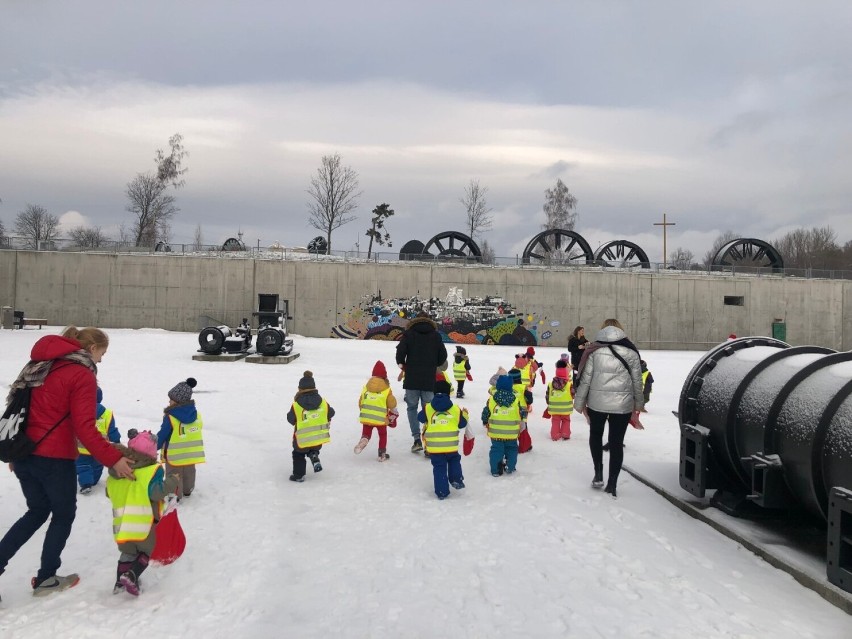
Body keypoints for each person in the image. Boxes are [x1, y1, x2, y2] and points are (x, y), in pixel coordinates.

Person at [0, 326, 135, 599]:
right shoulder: (81, 374)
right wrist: (114, 459)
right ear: (92, 349)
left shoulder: (40, 365)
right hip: (53, 458)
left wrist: (14, 453)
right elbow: (86, 427)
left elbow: (16, 408)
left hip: (25, 453)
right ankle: (47, 578)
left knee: (36, 512)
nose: (101, 360)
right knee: (62, 514)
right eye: (102, 353)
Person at [573, 319, 644, 499]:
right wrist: (638, 405)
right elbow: (637, 381)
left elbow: (586, 379)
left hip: (597, 404)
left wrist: (579, 403)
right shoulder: (632, 352)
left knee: (596, 435)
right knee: (616, 442)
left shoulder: (594, 352)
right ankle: (612, 484)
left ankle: (598, 473)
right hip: (623, 405)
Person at [106, 430, 179, 596]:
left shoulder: (117, 471)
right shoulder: (150, 471)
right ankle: (132, 575)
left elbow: (109, 492)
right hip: (143, 523)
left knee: (127, 552)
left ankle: (119, 582)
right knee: (146, 551)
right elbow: (156, 493)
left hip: (121, 524)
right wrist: (172, 481)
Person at [395, 311, 448, 454]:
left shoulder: (409, 334)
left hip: (412, 379)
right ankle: (428, 442)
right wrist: (433, 364)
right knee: (429, 410)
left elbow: (400, 352)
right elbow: (443, 356)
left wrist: (402, 364)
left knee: (412, 408)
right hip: (428, 380)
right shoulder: (436, 336)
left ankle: (417, 439)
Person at [418, 379, 468, 499]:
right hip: (451, 446)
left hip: (434, 447)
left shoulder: (428, 408)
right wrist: (465, 414)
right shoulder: (456, 409)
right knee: (454, 461)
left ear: (434, 393)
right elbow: (462, 424)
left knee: (439, 467)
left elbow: (419, 418)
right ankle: (456, 479)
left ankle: (442, 492)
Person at [156, 377, 204, 498]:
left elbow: (163, 434)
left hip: (174, 453)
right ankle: (188, 489)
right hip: (191, 452)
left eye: (171, 400)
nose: (169, 402)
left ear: (178, 401)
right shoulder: (196, 415)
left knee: (174, 474)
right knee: (189, 472)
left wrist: (153, 446)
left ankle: (175, 495)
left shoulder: (170, 416)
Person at [286, 371, 335, 482]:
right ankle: (313, 455)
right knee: (313, 448)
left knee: (298, 455)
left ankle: (298, 476)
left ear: (300, 389)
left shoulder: (296, 405)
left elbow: (291, 419)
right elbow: (331, 413)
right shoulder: (323, 402)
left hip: (302, 440)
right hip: (319, 438)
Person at [76, 386, 121, 494]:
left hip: (82, 448)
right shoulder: (107, 414)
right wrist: (116, 440)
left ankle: (86, 484)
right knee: (97, 465)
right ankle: (95, 480)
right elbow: (112, 430)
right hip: (100, 448)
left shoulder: (79, 411)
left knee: (83, 465)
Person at [482, 374, 526, 476]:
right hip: (512, 433)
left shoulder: (492, 400)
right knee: (512, 449)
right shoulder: (515, 400)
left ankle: (496, 470)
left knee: (496, 450)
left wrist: (485, 421)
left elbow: (486, 413)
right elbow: (522, 413)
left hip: (496, 433)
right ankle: (510, 467)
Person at [354, 360, 397, 461]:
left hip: (366, 417)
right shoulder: (386, 389)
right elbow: (392, 404)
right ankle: (382, 454)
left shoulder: (366, 388)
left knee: (366, 433)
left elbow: (360, 403)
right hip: (381, 419)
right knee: (382, 435)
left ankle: (364, 440)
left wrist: (366, 412)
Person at [545, 360, 573, 440]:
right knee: (566, 420)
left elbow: (547, 395)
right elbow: (573, 394)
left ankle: (555, 435)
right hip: (566, 408)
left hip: (554, 408)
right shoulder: (569, 384)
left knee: (555, 421)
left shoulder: (551, 384)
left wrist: (548, 403)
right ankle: (565, 434)